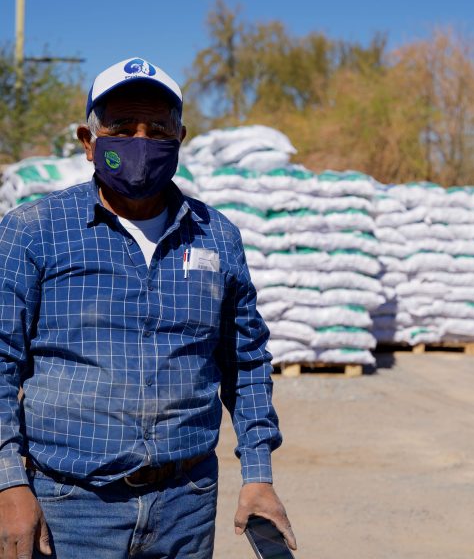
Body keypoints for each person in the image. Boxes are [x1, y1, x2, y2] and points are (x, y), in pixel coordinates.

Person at [0, 57, 296, 558]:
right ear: (89, 140)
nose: (141, 142)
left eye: (157, 129)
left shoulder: (217, 236)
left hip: (187, 503)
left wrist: (259, 475)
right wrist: (8, 485)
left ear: (181, 137)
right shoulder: (34, 230)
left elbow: (245, 362)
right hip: (72, 506)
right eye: (122, 127)